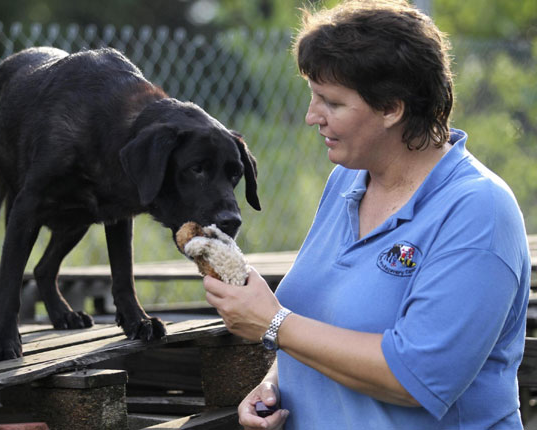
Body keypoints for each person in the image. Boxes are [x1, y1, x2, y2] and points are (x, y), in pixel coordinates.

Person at [203, 0, 531, 429]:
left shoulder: (478, 209)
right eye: (312, 96)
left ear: (392, 108)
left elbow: (416, 378)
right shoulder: (347, 182)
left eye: (331, 102)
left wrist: (273, 324)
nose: (310, 117)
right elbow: (328, 324)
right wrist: (277, 381)